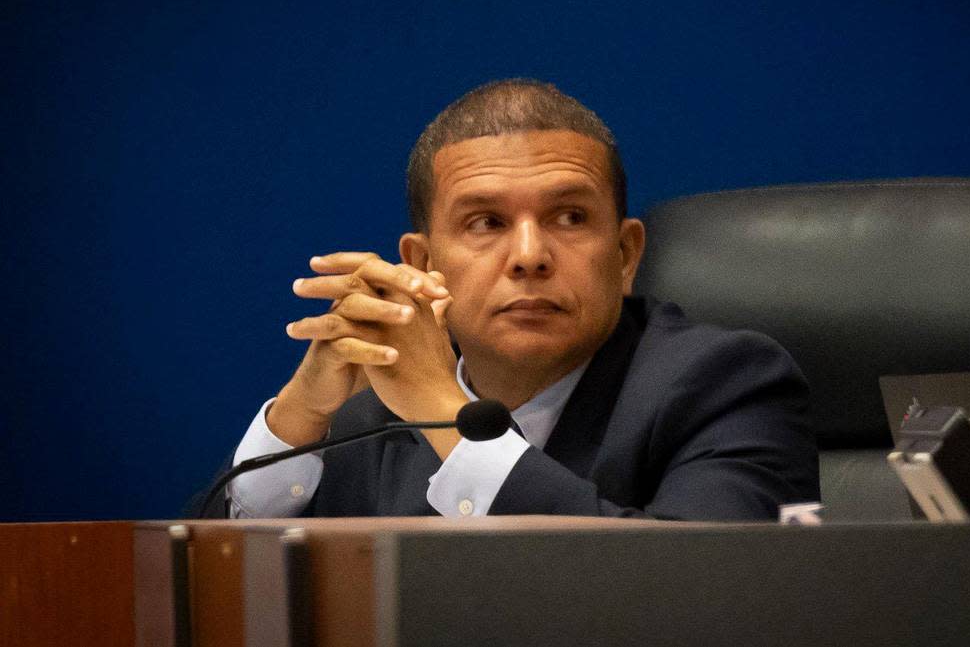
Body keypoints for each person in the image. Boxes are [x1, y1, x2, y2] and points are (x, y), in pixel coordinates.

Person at [196, 79, 818, 520]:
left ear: (626, 256)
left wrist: (443, 411)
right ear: (424, 265)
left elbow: (697, 596)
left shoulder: (726, 386)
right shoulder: (366, 419)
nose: (529, 255)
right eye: (486, 222)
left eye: (570, 217)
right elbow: (210, 597)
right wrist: (300, 419)